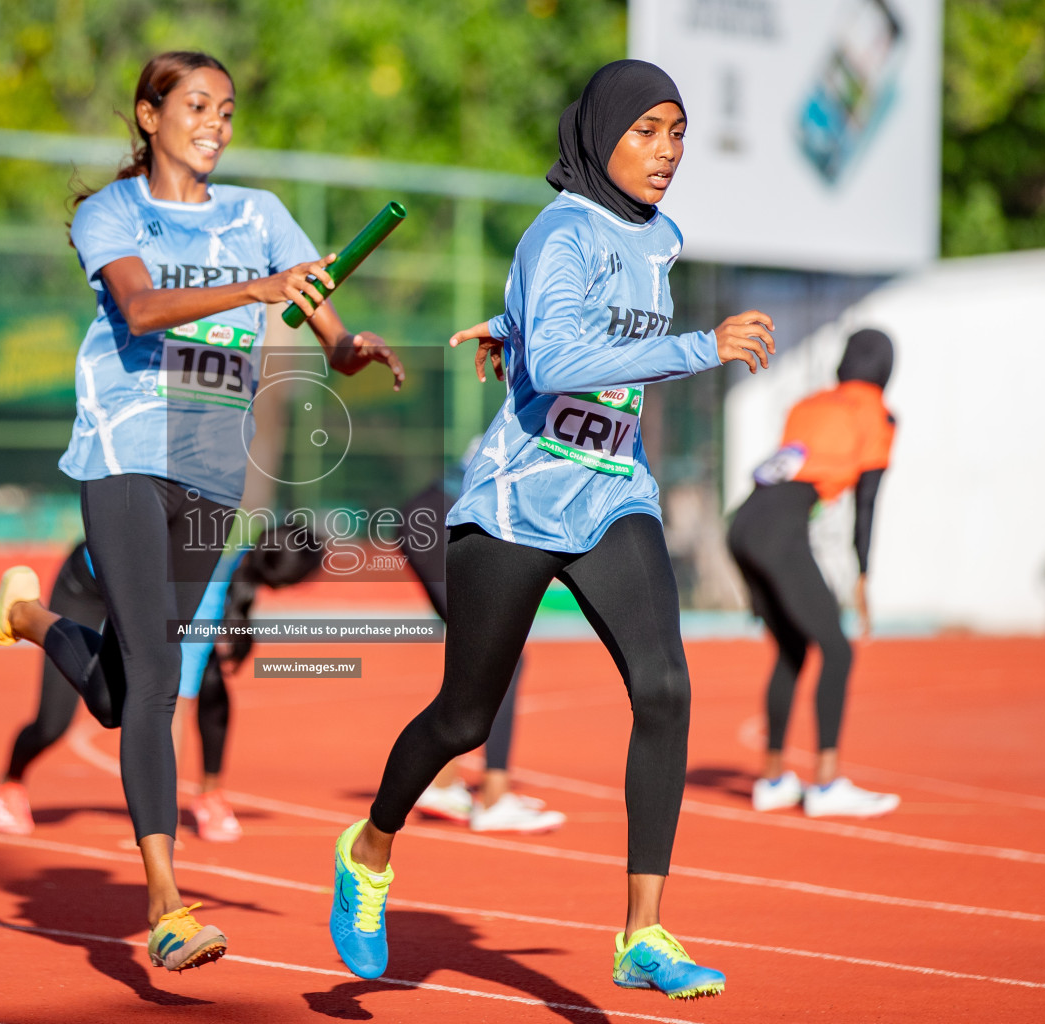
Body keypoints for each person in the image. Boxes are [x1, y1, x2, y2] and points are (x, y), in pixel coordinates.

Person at [327, 60, 776, 1000]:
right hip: (520, 499)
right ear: (601, 131)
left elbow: (574, 321)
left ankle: (642, 934)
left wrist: (512, 324)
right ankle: (369, 851)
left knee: (664, 687)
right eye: (647, 130)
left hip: (616, 493)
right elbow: (571, 353)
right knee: (464, 718)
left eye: (678, 132)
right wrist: (697, 346)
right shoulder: (560, 226)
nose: (666, 152)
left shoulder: (661, 236)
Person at [0, 50, 403, 973]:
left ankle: (26, 616)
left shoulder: (263, 213)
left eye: (228, 110)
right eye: (197, 105)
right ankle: (165, 905)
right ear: (150, 114)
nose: (215, 123)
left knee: (122, 697)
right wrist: (257, 289)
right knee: (159, 680)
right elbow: (142, 307)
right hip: (125, 451)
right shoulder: (108, 213)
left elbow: (322, 324)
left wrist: (350, 346)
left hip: (211, 470)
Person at [0, 525, 322, 843]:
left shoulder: (245, 562)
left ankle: (209, 795)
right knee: (54, 723)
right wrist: (161, 810)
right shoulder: (207, 597)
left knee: (212, 682)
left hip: (143, 590)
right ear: (284, 583)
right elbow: (174, 707)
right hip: (89, 583)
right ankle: (10, 783)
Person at [727, 328, 900, 818]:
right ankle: (825, 785)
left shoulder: (810, 403)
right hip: (779, 529)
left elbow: (784, 469)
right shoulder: (880, 416)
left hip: (744, 523)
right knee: (838, 651)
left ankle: (772, 779)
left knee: (793, 648)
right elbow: (867, 501)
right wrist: (864, 573)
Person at [400, 467, 564, 834]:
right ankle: (493, 798)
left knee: (478, 654)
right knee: (502, 657)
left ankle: (444, 784)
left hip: (435, 514)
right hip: (443, 517)